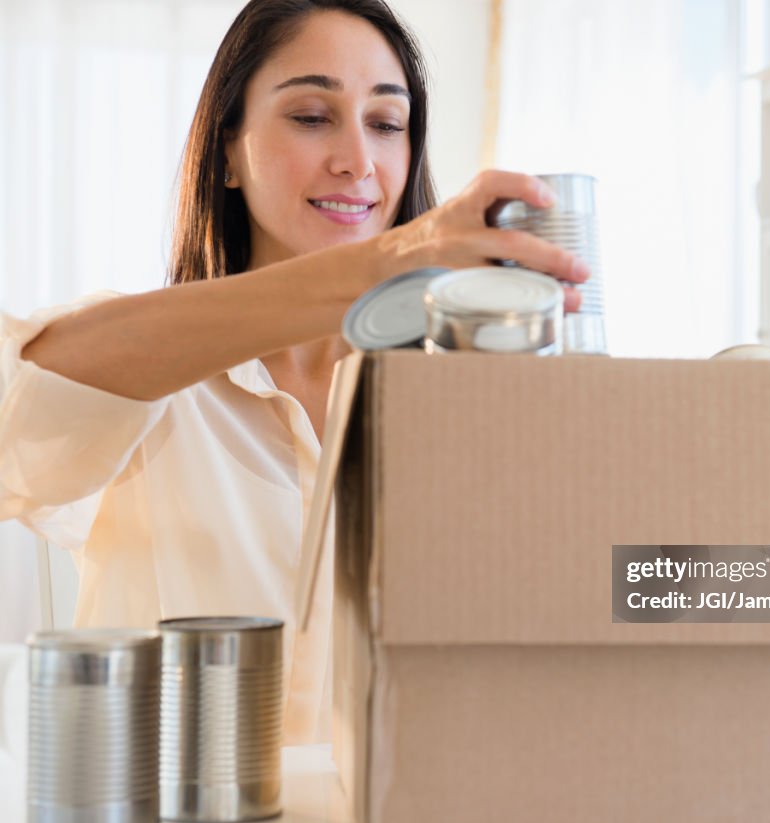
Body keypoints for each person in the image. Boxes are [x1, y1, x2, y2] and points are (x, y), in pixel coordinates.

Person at [0, 0, 588, 743]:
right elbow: (16, 422)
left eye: (386, 123)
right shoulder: (149, 371)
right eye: (312, 116)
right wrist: (388, 261)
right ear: (226, 154)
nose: (358, 161)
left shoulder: (462, 405)